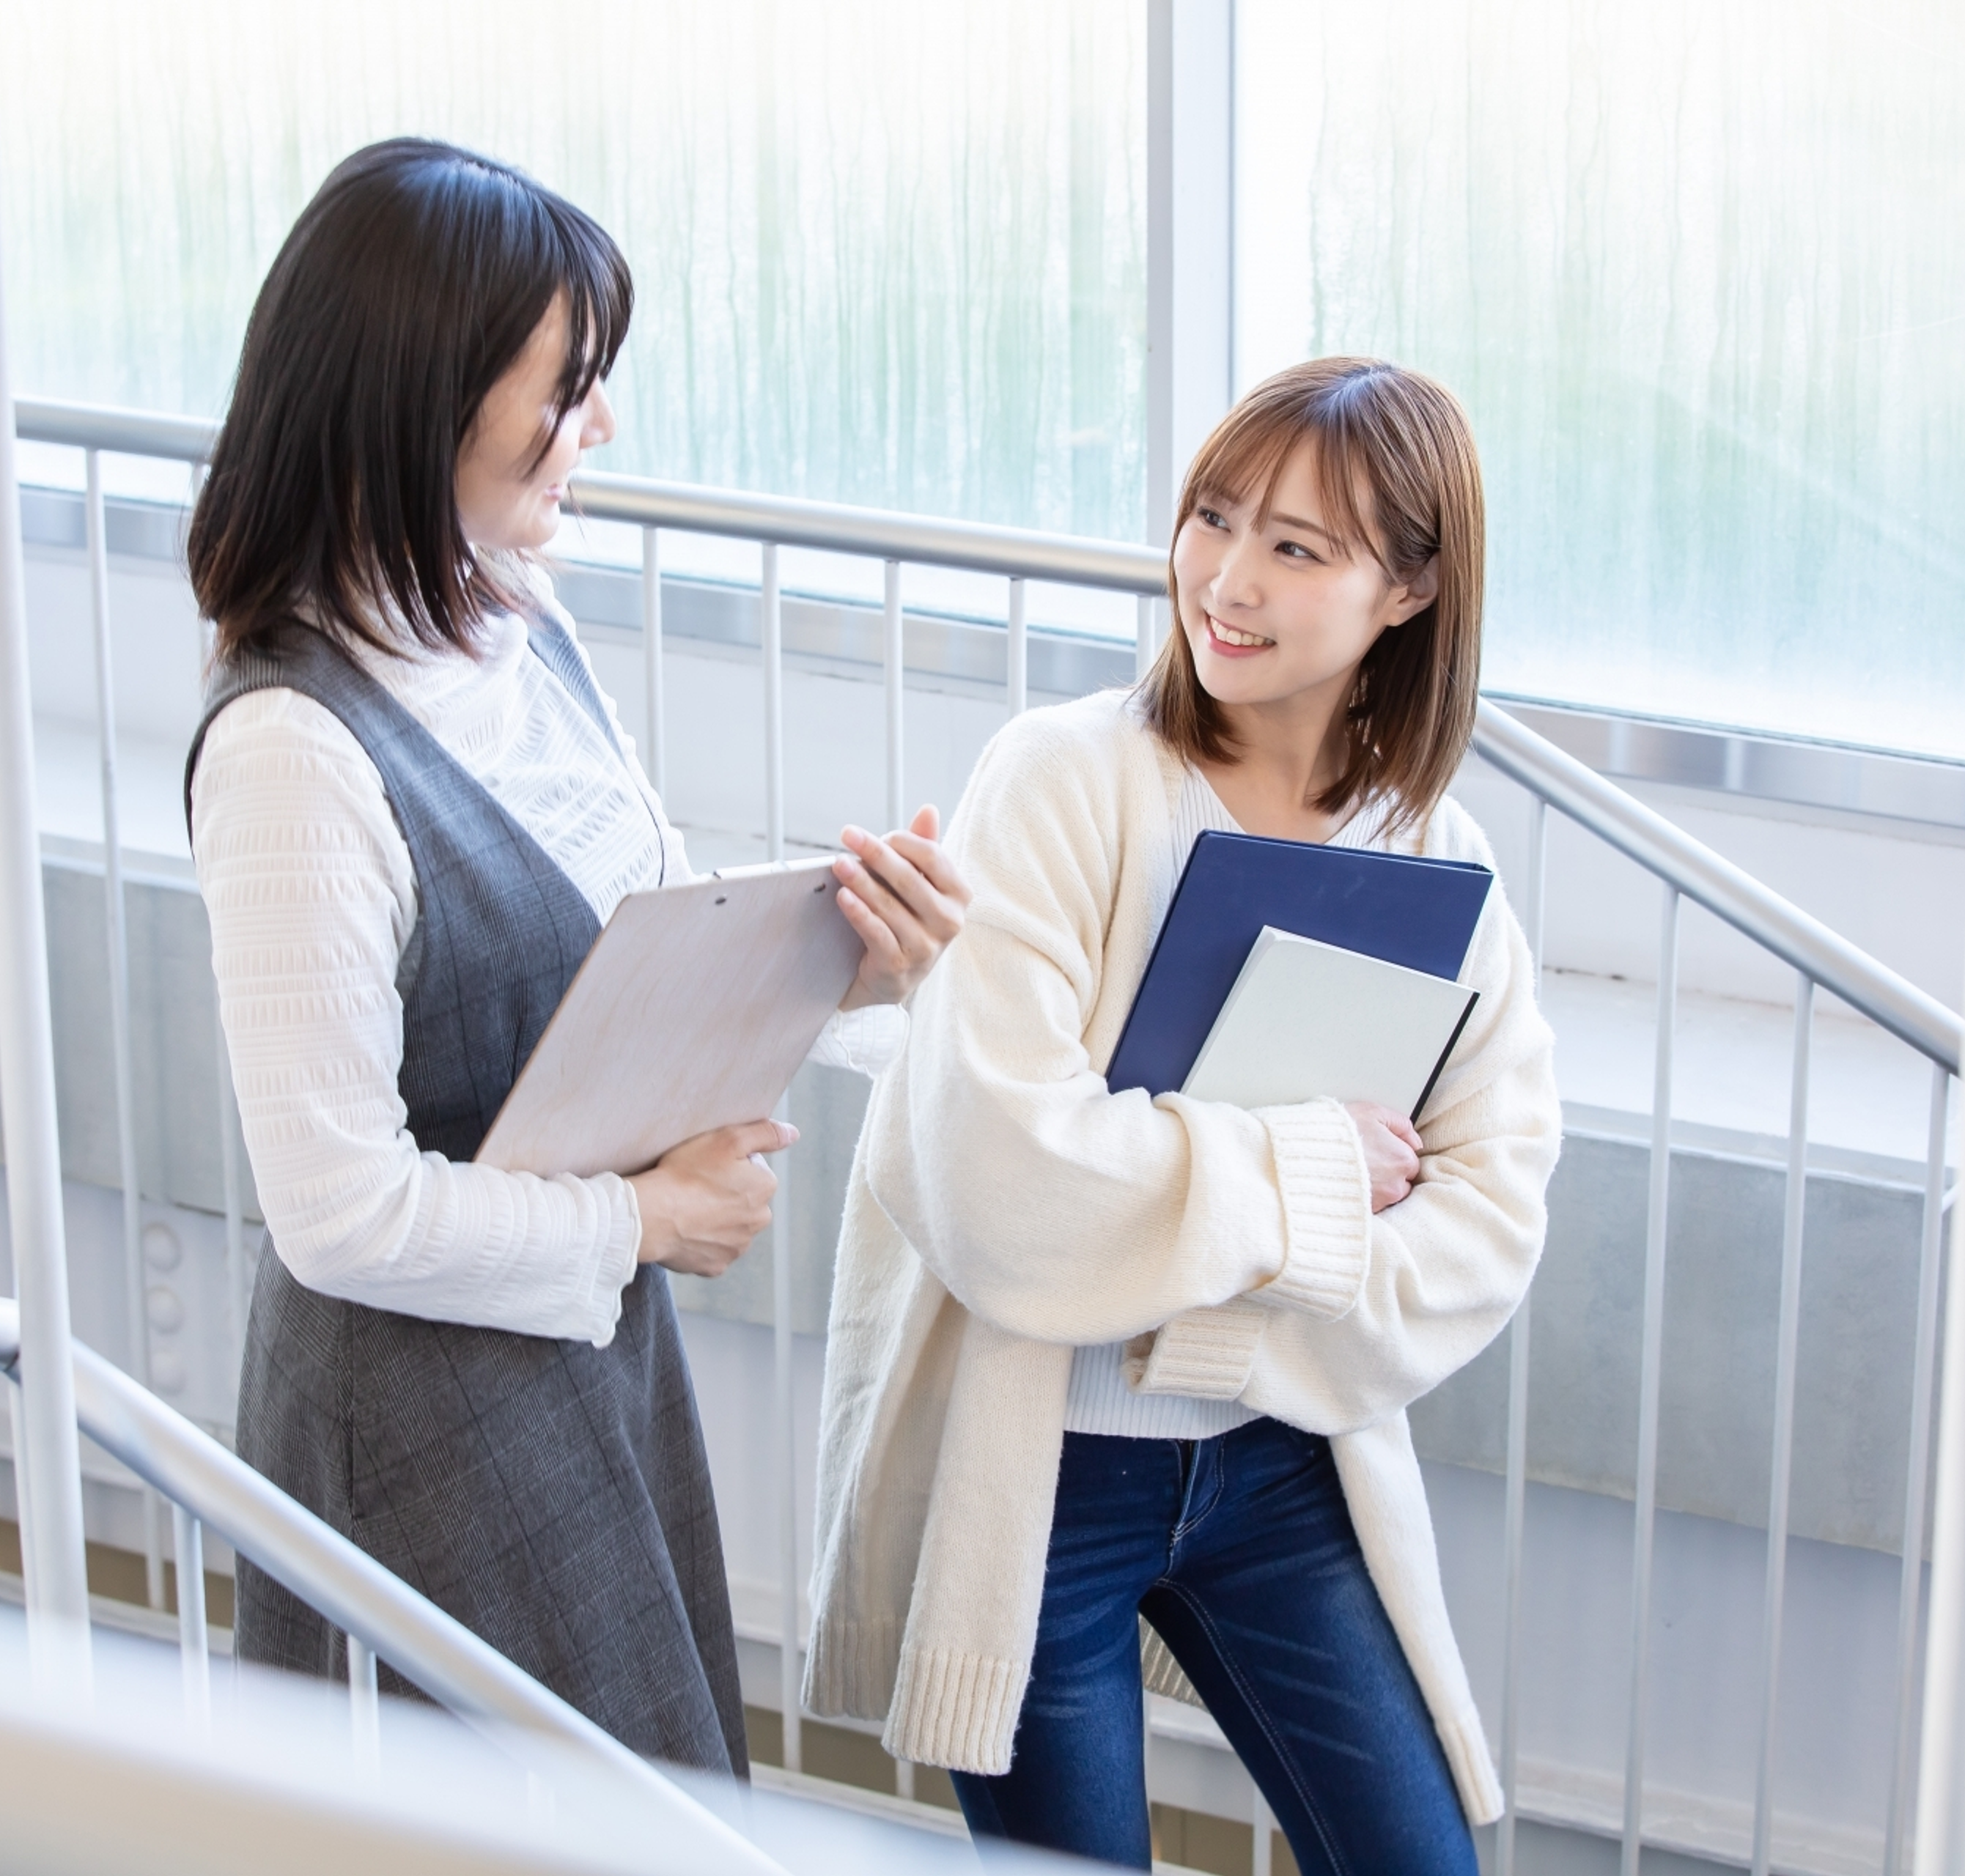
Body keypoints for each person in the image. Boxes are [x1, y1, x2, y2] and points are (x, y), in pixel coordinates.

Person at [185, 137, 967, 1776]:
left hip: (575, 1340)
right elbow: (338, 1213)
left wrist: (860, 956)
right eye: (568, 383)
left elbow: (648, 923)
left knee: (649, 1784)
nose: (599, 422)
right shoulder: (290, 753)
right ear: (427, 398)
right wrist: (644, 1218)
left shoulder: (510, 611)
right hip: (415, 1404)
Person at [803, 358, 1558, 1869]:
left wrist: (1222, 1274)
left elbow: (1493, 1210)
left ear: (1408, 589)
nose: (1227, 577)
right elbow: (1005, 1182)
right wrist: (1321, 1170)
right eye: (1214, 517)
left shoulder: (1430, 845)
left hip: (1282, 1457)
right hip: (1048, 1474)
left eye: (1298, 546)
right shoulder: (1066, 781)